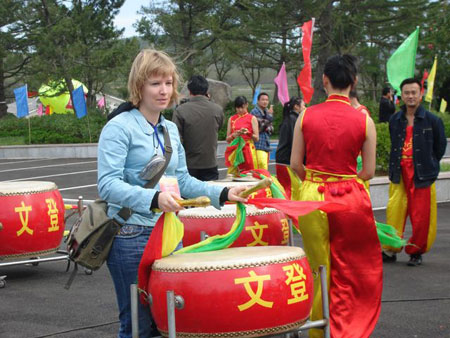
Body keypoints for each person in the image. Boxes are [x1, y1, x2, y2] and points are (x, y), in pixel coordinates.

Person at [97, 49, 247, 338]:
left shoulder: (169, 129)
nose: (163, 90)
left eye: (168, 82)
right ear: (138, 86)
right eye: (155, 83)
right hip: (129, 234)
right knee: (138, 324)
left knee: (170, 319)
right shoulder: (118, 128)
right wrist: (153, 199)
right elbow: (107, 185)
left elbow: (183, 181)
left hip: (168, 232)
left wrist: (226, 193)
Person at [291, 54, 382, 338]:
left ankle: (319, 330)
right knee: (349, 268)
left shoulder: (306, 115)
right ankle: (347, 327)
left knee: (318, 267)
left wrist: (314, 181)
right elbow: (367, 172)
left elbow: (295, 164)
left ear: (325, 80)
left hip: (312, 196)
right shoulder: (364, 120)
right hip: (349, 199)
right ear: (353, 82)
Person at [384, 78, 447, 266]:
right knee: (394, 211)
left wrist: (431, 166)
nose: (410, 96)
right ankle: (391, 249)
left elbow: (440, 147)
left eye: (414, 92)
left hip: (422, 174)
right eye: (407, 93)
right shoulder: (395, 119)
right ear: (401, 95)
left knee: (421, 216)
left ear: (421, 94)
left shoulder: (433, 120)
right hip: (399, 171)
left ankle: (416, 251)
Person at [172, 75, 224, 181]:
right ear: (206, 89)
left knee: (188, 197)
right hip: (210, 163)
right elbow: (218, 128)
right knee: (211, 195)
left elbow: (176, 139)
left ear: (189, 90)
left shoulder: (181, 110)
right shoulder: (217, 110)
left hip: (188, 165)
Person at [275, 96, 305, 199]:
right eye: (303, 105)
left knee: (289, 188)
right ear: (296, 107)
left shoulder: (290, 118)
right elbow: (295, 142)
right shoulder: (294, 120)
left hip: (282, 160)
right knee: (292, 190)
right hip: (286, 161)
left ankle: (288, 213)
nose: (305, 108)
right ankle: (289, 214)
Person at [224, 96, 259, 175]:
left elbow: (256, 138)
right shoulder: (232, 119)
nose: (240, 110)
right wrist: (234, 135)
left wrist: (248, 133)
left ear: (246, 105)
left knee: (249, 173)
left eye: (242, 107)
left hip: (247, 149)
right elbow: (227, 139)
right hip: (235, 149)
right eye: (238, 108)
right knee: (233, 174)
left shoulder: (252, 118)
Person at [250, 92, 274, 169]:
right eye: (263, 99)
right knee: (259, 168)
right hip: (257, 145)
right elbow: (260, 126)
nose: (265, 102)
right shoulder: (254, 112)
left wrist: (266, 123)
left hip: (266, 144)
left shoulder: (267, 112)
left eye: (267, 100)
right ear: (258, 101)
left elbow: (271, 129)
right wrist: (269, 118)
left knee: (264, 168)